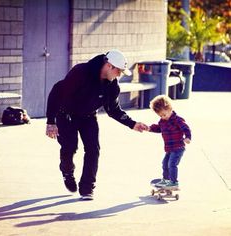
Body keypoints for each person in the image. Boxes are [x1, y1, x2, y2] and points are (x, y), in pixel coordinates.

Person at [45, 49, 148, 200]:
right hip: (65, 114)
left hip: (88, 117)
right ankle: (67, 171)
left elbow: (113, 110)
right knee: (70, 147)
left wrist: (132, 124)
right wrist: (50, 121)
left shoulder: (112, 86)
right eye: (118, 71)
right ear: (109, 66)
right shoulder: (81, 72)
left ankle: (87, 188)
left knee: (93, 150)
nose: (119, 75)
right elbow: (57, 92)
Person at [148, 95, 191, 188]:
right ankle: (166, 180)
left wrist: (188, 137)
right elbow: (159, 128)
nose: (163, 117)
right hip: (169, 148)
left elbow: (186, 128)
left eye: (164, 114)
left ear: (170, 109)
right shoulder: (162, 121)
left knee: (172, 164)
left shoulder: (177, 120)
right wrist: (149, 128)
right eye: (160, 115)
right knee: (164, 164)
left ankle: (174, 182)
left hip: (178, 148)